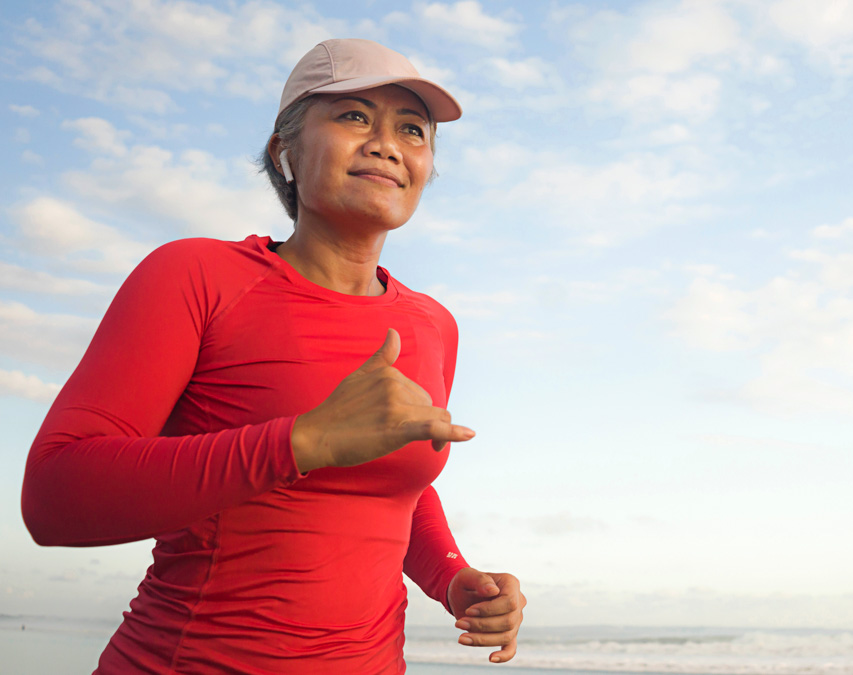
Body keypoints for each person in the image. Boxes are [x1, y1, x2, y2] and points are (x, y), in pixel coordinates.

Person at [21, 38, 525, 673]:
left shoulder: (434, 325)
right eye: (354, 116)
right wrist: (302, 441)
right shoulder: (196, 276)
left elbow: (397, 486)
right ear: (284, 151)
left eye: (412, 129)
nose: (386, 144)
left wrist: (452, 576)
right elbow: (54, 496)